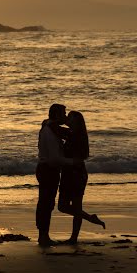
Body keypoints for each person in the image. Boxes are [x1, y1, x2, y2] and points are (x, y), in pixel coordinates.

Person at [58, 110, 105, 244]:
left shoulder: (76, 135)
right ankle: (90, 218)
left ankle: (74, 238)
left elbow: (57, 130)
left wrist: (51, 123)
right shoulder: (73, 134)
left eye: (70, 117)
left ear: (76, 121)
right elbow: (58, 130)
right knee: (62, 206)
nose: (67, 118)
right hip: (68, 173)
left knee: (76, 206)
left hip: (77, 174)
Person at [36, 103, 75, 246]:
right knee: (46, 204)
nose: (65, 116)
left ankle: (43, 235)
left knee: (46, 203)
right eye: (63, 114)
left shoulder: (51, 128)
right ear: (57, 115)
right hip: (48, 169)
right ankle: (43, 236)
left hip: (47, 169)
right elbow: (55, 158)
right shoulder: (50, 131)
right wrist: (72, 162)